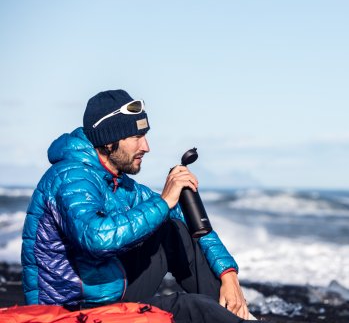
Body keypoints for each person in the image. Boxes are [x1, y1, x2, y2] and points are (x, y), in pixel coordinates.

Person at [21, 89, 254, 323]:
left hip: (108, 291)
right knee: (192, 308)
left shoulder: (117, 182)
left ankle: (233, 312)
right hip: (71, 311)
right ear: (109, 140)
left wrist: (228, 275)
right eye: (136, 137)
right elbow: (96, 239)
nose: (146, 146)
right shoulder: (70, 177)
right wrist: (163, 202)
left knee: (172, 229)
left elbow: (189, 223)